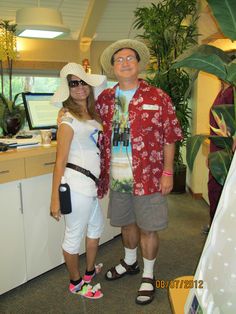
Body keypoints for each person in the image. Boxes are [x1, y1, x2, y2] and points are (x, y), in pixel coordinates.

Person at [96, 39, 183, 305]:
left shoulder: (157, 97)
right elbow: (91, 122)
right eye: (119, 59)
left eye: (129, 58)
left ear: (138, 64)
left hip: (148, 175)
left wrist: (168, 171)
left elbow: (170, 135)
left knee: (149, 227)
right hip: (118, 175)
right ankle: (130, 262)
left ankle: (148, 274)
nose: (124, 62)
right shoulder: (105, 99)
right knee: (127, 223)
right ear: (113, 67)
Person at [50, 63, 106, 299]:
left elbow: (102, 83)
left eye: (84, 82)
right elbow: (59, 161)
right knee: (73, 237)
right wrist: (55, 200)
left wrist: (90, 78)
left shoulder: (93, 115)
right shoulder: (68, 119)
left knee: (95, 228)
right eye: (74, 83)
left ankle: (89, 272)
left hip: (91, 186)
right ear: (67, 88)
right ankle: (75, 284)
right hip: (75, 186)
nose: (80, 87)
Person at [205, 79, 234, 233]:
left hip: (227, 154)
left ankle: (220, 233)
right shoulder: (223, 90)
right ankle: (214, 228)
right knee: (214, 191)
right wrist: (211, 156)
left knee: (222, 194)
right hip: (217, 152)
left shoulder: (232, 93)